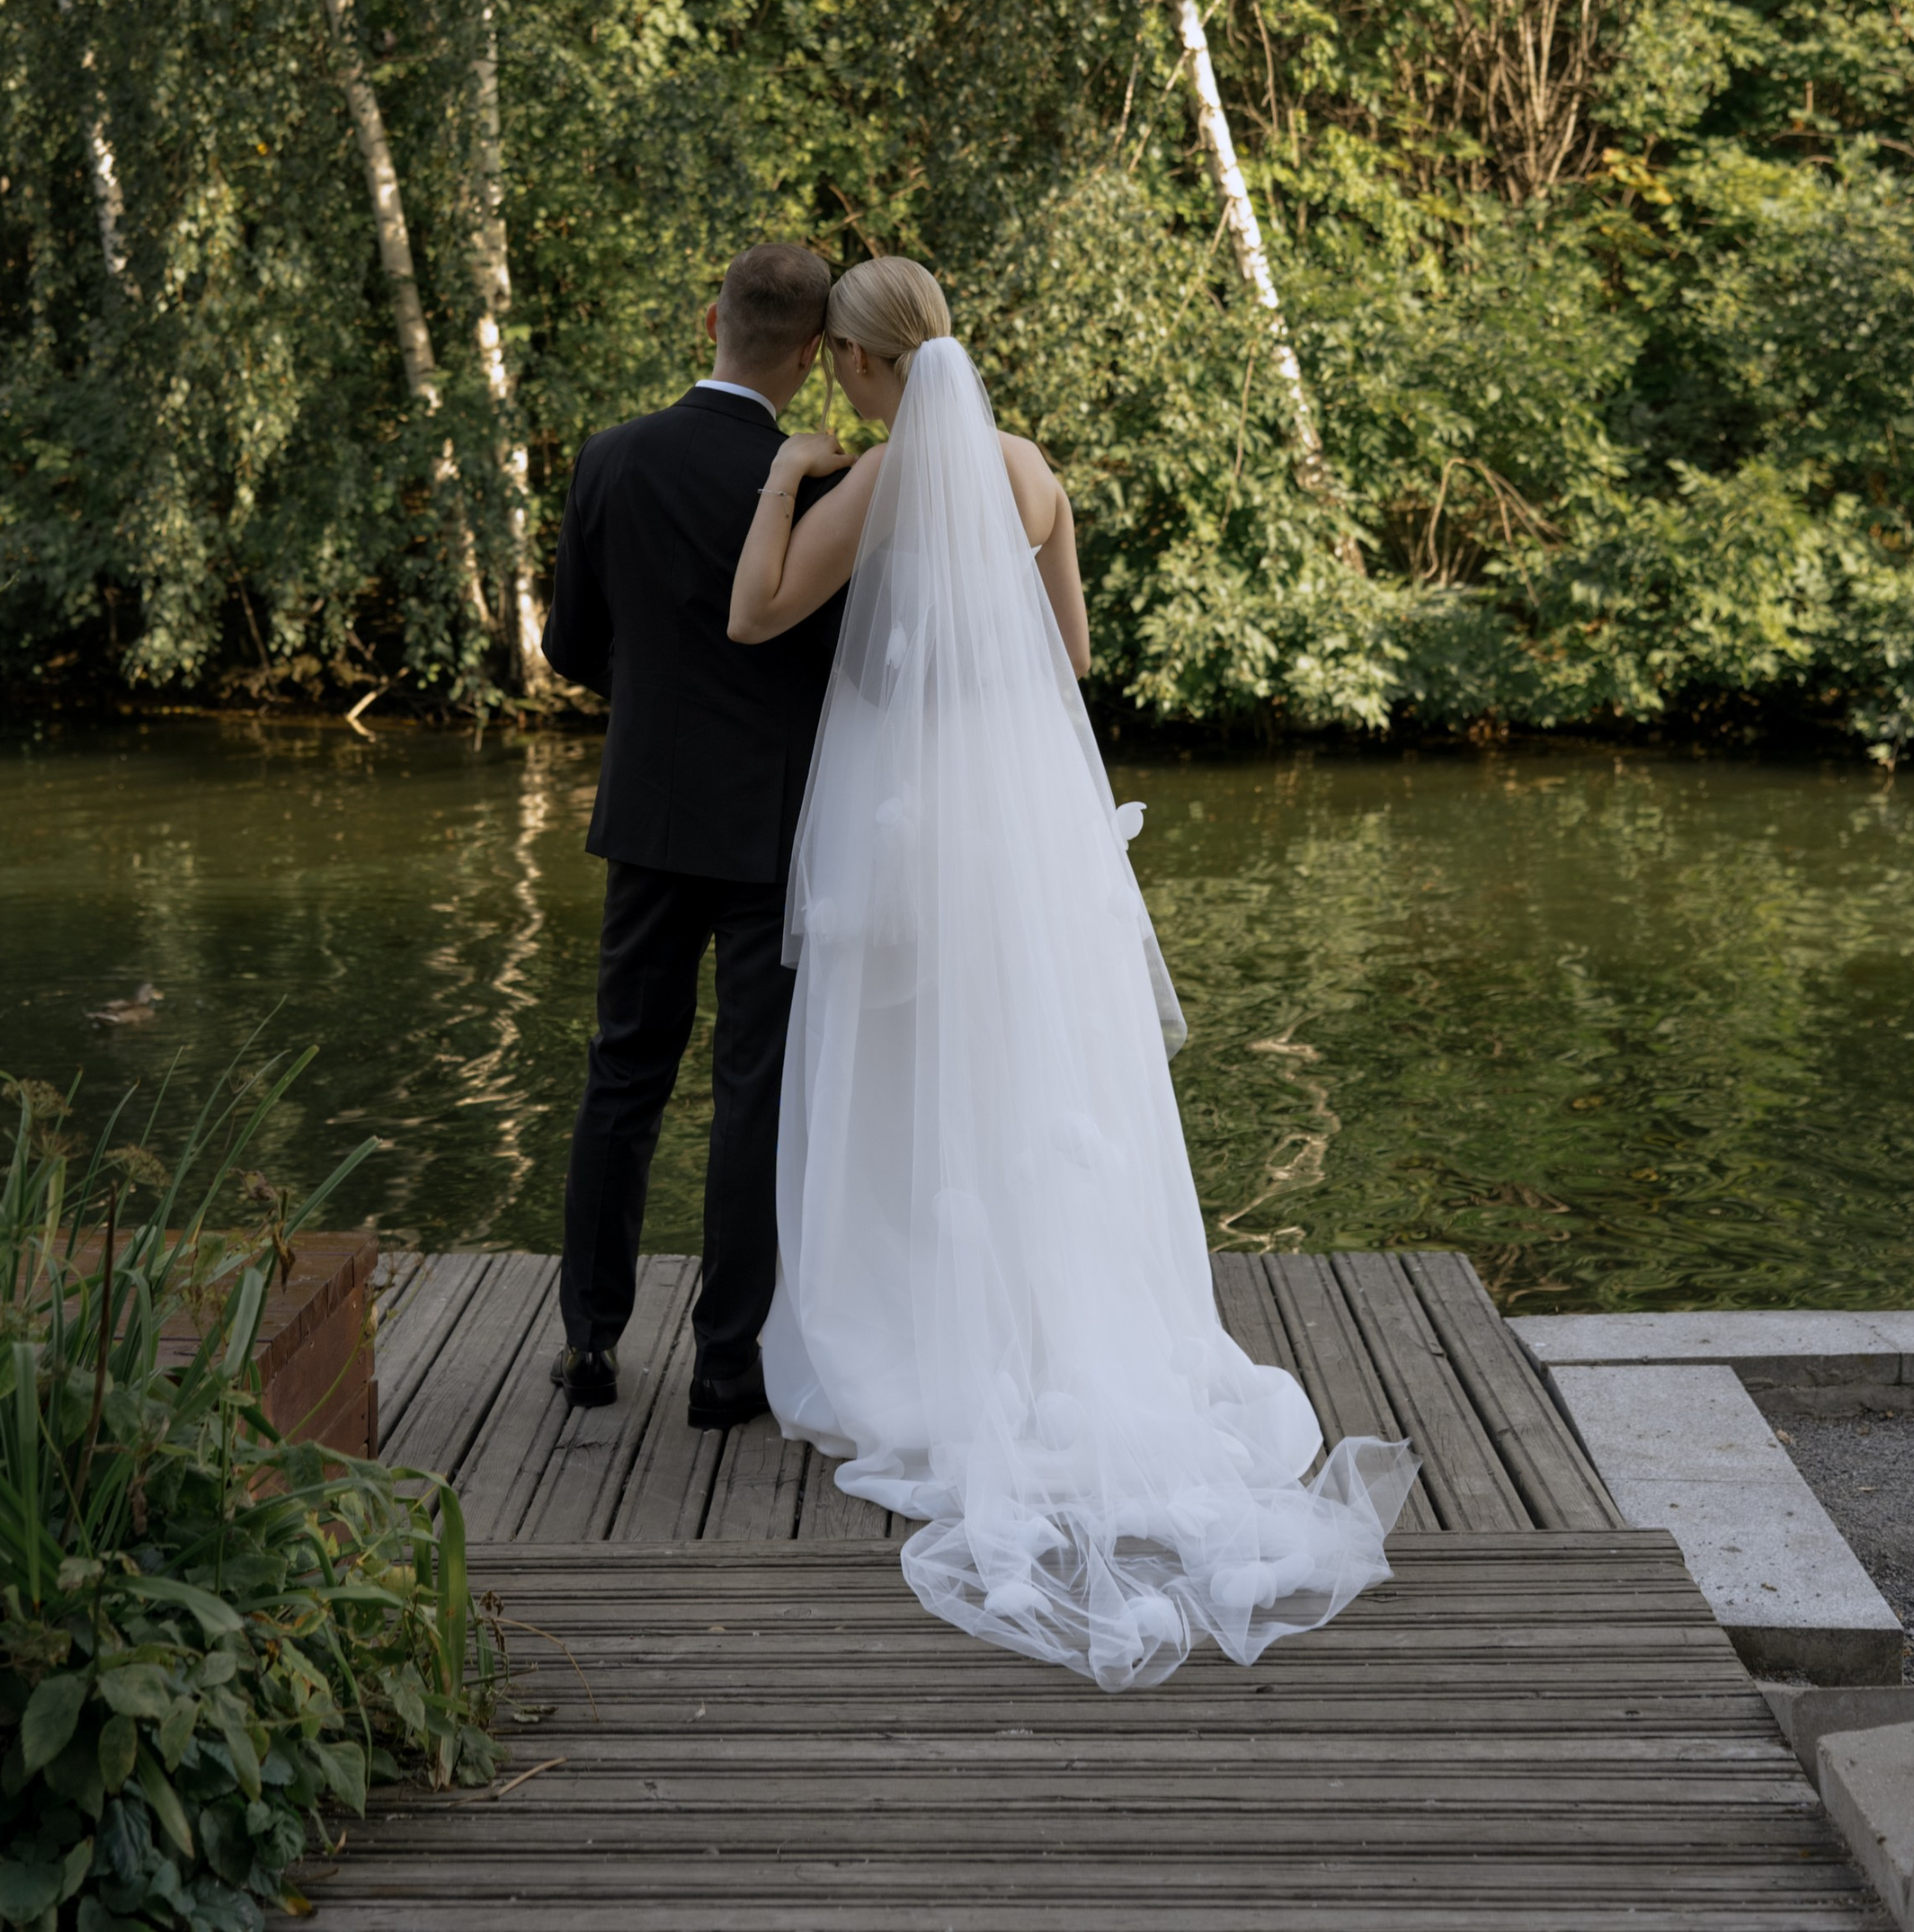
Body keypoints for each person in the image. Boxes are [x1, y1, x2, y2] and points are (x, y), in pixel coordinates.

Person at [727, 254, 1415, 1691]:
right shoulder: (1031, 472)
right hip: (1027, 823)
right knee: (1042, 1077)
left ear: (859, 365)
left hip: (912, 826)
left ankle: (920, 1329)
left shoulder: (879, 479)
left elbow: (762, 611)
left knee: (916, 1079)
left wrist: (784, 481)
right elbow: (1074, 652)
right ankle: (1075, 1326)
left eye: (844, 374)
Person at [544, 238, 850, 1429]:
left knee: (623, 1070)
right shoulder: (816, 482)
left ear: (708, 320)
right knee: (752, 1090)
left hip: (645, 812)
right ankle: (727, 1366)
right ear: (814, 354)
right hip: (772, 827)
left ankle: (589, 1344)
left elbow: (571, 650)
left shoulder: (612, 459)